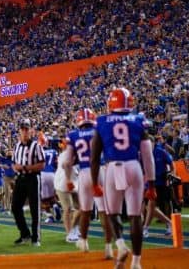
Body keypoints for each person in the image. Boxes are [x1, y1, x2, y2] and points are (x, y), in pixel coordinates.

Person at [91, 87, 155, 269]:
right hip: (133, 166)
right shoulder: (139, 120)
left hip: (113, 167)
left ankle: (120, 245)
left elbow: (94, 157)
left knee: (112, 213)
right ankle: (136, 262)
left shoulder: (102, 121)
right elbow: (148, 156)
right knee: (136, 216)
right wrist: (151, 184)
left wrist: (95, 182)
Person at [63, 107, 114, 258]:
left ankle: (84, 242)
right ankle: (108, 248)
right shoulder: (100, 130)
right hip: (102, 171)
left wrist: (68, 179)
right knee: (105, 211)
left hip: (85, 172)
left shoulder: (73, 135)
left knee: (85, 211)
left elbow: (67, 162)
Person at [11, 119, 45, 246]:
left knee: (34, 208)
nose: (25, 131)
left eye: (27, 129)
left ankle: (36, 237)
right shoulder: (17, 146)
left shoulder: (36, 146)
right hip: (20, 178)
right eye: (23, 129)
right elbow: (14, 163)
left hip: (32, 178)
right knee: (15, 207)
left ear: (31, 130)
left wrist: (25, 168)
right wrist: (16, 168)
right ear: (20, 131)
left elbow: (42, 165)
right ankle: (25, 234)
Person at [142, 136, 174, 237]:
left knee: (151, 206)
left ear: (153, 143)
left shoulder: (161, 151)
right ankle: (169, 223)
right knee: (149, 207)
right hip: (149, 183)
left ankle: (146, 228)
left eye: (149, 143)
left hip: (160, 182)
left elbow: (171, 163)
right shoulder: (144, 153)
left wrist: (172, 174)